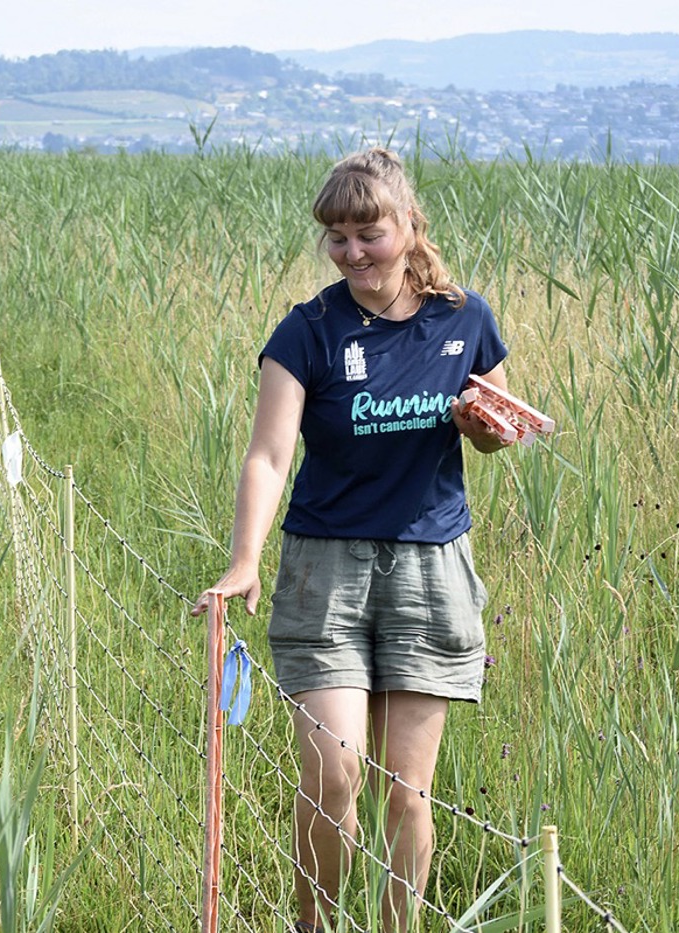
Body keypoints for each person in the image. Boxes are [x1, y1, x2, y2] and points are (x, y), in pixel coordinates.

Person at [191, 148, 509, 933]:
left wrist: (484, 429)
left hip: (430, 572)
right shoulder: (306, 330)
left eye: (368, 231)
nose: (353, 251)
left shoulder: (465, 318)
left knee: (406, 792)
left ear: (408, 225)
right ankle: (316, 923)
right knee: (333, 773)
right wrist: (244, 561)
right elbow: (269, 455)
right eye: (337, 236)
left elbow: (503, 427)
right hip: (323, 570)